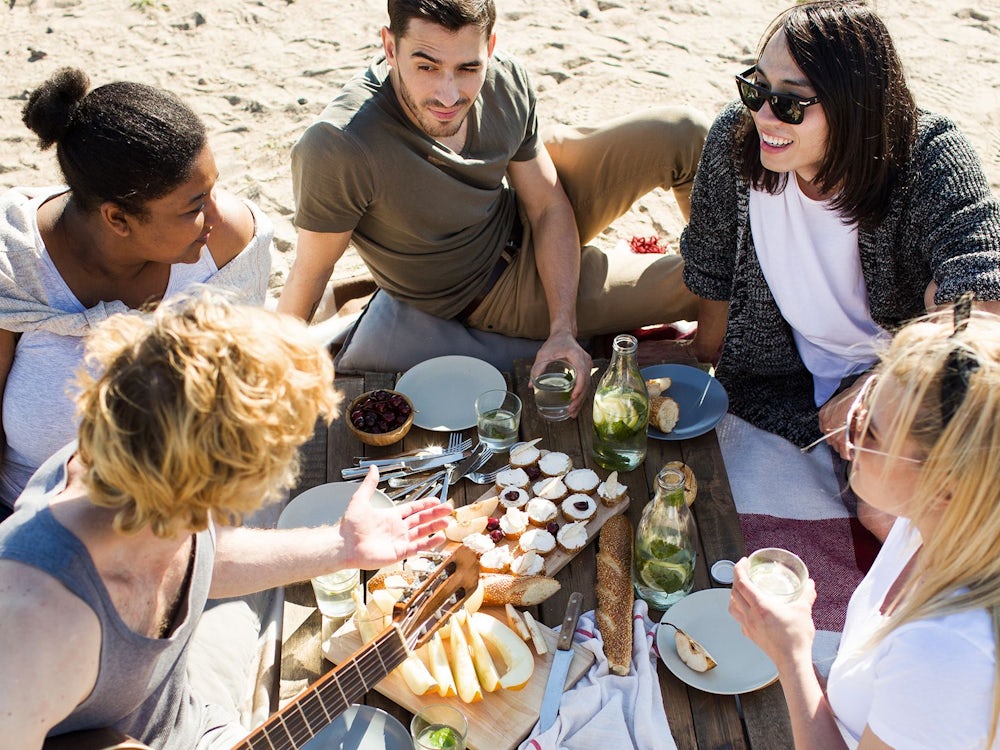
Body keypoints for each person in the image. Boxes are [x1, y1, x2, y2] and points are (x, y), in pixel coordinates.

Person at [0, 289, 452, 750]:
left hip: (196, 726)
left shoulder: (147, 477)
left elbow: (200, 559)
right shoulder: (32, 621)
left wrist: (340, 546)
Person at [279, 0, 708, 414]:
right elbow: (312, 270)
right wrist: (269, 372)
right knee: (704, 283)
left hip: (519, 208)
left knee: (686, 133)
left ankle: (738, 261)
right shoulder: (340, 146)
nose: (448, 94)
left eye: (469, 67)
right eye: (426, 66)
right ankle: (741, 312)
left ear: (491, 48)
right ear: (390, 48)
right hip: (493, 292)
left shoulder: (505, 80)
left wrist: (563, 330)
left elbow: (546, 207)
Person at [678, 0, 1000, 538]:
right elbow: (711, 266)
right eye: (757, 89)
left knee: (886, 511)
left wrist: (877, 388)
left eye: (791, 103)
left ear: (855, 106)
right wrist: (705, 353)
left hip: (900, 393)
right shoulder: (736, 141)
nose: (763, 116)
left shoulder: (931, 157)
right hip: (777, 379)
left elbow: (980, 305)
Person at [0, 68, 273, 513]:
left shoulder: (226, 245)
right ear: (117, 219)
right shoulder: (14, 265)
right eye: (194, 207)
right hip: (28, 518)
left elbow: (239, 394)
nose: (216, 212)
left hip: (183, 511)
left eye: (212, 188)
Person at [729, 300, 1000, 749]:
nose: (848, 424)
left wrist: (793, 656)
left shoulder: (946, 652)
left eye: (871, 431)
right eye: (868, 394)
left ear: (943, 487)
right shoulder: (929, 524)